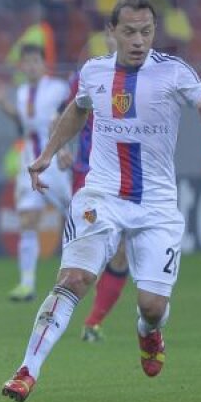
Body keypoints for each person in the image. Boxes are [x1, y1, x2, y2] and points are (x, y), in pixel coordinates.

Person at [1, 0, 201, 402]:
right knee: (73, 279)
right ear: (112, 33)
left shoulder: (174, 72)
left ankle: (149, 331)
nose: (139, 40)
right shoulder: (93, 72)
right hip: (102, 194)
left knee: (151, 305)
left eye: (146, 31)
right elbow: (78, 110)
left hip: (157, 205)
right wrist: (46, 154)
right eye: (129, 31)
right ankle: (26, 371)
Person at [0, 44, 71, 301]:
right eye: (27, 62)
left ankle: (89, 269)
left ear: (44, 64)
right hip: (29, 163)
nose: (32, 65)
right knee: (27, 220)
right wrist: (3, 104)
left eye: (36, 60)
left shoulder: (58, 89)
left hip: (55, 162)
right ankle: (26, 284)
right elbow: (23, 123)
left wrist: (65, 148)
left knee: (77, 215)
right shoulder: (23, 92)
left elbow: (68, 119)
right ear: (22, 66)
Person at [61, 30, 128, 343]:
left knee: (122, 253)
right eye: (121, 32)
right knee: (84, 257)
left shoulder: (150, 78)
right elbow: (64, 114)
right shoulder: (90, 75)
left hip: (128, 180)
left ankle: (93, 322)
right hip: (88, 177)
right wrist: (59, 147)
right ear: (110, 35)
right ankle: (57, 313)